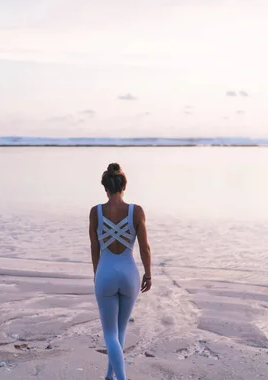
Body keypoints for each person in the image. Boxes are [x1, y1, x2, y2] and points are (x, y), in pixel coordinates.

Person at [89, 162, 152, 380]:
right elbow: (144, 247)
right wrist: (148, 274)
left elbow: (95, 247)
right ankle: (110, 376)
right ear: (124, 186)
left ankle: (118, 378)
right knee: (120, 330)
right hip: (129, 274)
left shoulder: (95, 212)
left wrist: (97, 275)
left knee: (110, 333)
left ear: (105, 188)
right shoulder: (136, 211)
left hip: (105, 273)